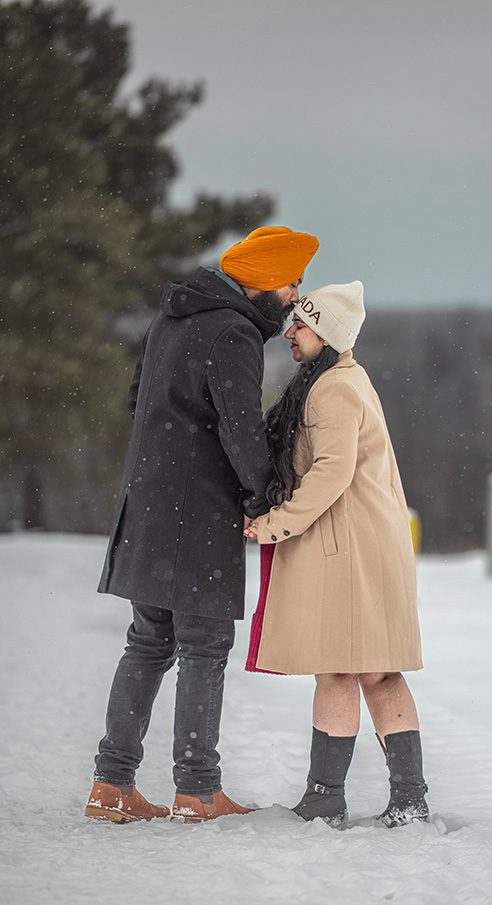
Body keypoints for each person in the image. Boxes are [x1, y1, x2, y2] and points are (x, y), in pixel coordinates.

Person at [85, 226, 319, 824]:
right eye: (292, 283)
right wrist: (264, 497)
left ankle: (110, 786)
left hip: (147, 505)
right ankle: (197, 790)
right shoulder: (234, 331)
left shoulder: (171, 319)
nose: (295, 296)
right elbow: (241, 431)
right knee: (203, 647)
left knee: (147, 643)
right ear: (264, 281)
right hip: (199, 514)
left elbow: (137, 403)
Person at [244, 281, 428, 828]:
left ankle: (332, 798)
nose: (289, 332)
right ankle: (403, 798)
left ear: (326, 333)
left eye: (300, 324)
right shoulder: (335, 379)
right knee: (372, 671)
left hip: (352, 545)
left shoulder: (332, 390)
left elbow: (331, 473)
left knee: (349, 672)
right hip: (363, 541)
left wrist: (275, 524)